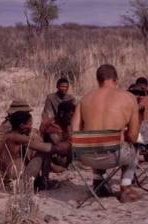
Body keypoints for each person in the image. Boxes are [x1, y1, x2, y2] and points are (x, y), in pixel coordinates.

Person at [71, 64, 141, 203]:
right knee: (136, 144)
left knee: (95, 141)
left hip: (86, 157)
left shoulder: (84, 99)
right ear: (116, 80)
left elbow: (74, 131)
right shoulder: (129, 98)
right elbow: (133, 136)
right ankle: (126, 187)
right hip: (115, 156)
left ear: (98, 80)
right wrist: (124, 136)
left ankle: (98, 183)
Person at [38, 101, 75, 184]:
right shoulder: (51, 125)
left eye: (73, 115)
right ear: (62, 114)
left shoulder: (68, 123)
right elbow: (59, 146)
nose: (72, 118)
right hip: (50, 156)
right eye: (70, 115)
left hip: (63, 156)